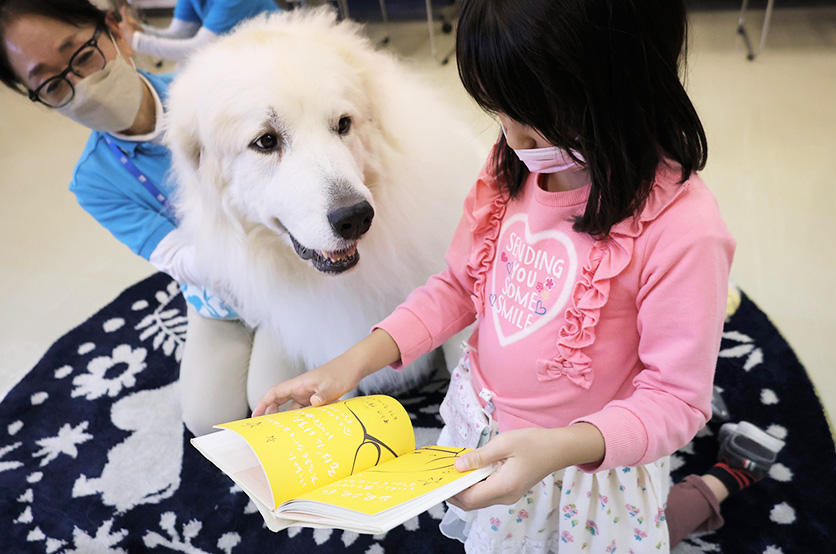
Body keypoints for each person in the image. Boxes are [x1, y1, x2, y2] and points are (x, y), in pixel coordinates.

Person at [252, 0, 777, 549]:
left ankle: (719, 483)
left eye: (536, 116)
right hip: (490, 428)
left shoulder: (684, 230)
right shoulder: (514, 163)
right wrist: (353, 362)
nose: (511, 136)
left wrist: (556, 449)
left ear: (623, 92)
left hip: (582, 468)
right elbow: (458, 286)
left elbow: (675, 399)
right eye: (499, 111)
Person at [0, 0, 285, 437]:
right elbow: (177, 258)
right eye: (53, 85)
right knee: (208, 421)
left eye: (81, 56)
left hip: (284, 275)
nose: (83, 85)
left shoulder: (217, 98)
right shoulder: (95, 181)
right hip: (216, 296)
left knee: (279, 404)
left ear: (116, 31)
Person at [116, 0, 281, 64]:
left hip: (273, 51)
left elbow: (197, 48)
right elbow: (180, 34)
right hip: (238, 48)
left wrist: (136, 41)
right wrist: (142, 31)